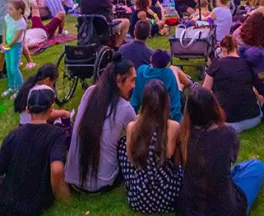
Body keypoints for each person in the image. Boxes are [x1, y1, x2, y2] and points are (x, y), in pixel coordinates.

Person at [0, 86, 70, 216]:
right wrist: (65, 198)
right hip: (37, 205)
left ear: (27, 110)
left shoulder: (13, 135)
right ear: (51, 109)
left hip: (7, 206)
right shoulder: (56, 134)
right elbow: (56, 170)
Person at [178, 86, 264, 216]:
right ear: (213, 106)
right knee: (256, 167)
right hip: (225, 209)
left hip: (189, 210)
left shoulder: (182, 134)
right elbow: (232, 159)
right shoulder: (228, 133)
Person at [65, 54, 137, 193]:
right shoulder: (125, 108)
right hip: (102, 184)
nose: (134, 86)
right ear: (118, 81)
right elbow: (137, 139)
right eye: (132, 81)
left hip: (73, 181)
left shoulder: (90, 92)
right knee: (126, 141)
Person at [119, 80, 183, 213]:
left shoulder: (132, 127)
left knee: (122, 146)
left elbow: (130, 159)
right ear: (166, 102)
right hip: (167, 195)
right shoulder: (173, 127)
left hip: (139, 197)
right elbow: (176, 161)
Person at [204, 35, 261, 132]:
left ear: (222, 49)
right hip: (252, 119)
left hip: (224, 122)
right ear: (236, 48)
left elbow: (205, 90)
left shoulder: (216, 63)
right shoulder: (247, 63)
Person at [131, 49, 183, 122]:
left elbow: (135, 97)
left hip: (146, 109)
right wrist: (178, 120)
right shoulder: (168, 73)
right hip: (162, 111)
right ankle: (192, 84)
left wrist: (131, 115)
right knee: (178, 79)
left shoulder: (141, 70)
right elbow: (175, 98)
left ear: (151, 58)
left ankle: (190, 83)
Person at [1, 0, 27, 99]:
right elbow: (4, 29)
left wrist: (7, 46)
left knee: (14, 67)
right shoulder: (8, 17)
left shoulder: (21, 23)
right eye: (8, 9)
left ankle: (20, 89)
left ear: (19, 10)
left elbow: (16, 38)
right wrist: (4, 42)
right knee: (8, 67)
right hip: (7, 44)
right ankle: (11, 87)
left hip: (15, 46)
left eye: (11, 9)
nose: (8, 11)